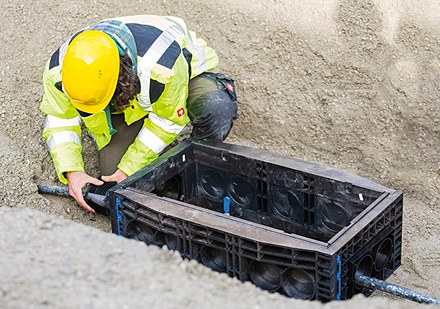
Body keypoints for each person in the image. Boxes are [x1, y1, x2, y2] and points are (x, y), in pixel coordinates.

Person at [40, 15, 238, 213]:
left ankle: (198, 165)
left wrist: (131, 168)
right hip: (132, 100)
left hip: (183, 77)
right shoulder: (59, 71)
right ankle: (163, 156)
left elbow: (167, 121)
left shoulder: (161, 67)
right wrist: (73, 172)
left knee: (216, 107)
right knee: (118, 185)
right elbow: (60, 119)